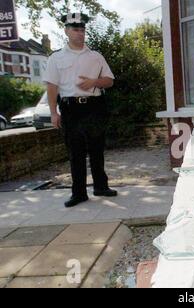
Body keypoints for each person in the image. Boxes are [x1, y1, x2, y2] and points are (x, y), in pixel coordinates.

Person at [43, 12, 117, 208]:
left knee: (97, 149)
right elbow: (52, 87)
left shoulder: (95, 56)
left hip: (94, 107)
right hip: (70, 108)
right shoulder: (56, 58)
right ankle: (79, 193)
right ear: (66, 31)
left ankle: (101, 186)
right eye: (75, 29)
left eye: (82, 29)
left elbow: (109, 81)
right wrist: (53, 112)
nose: (80, 33)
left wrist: (95, 82)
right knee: (75, 152)